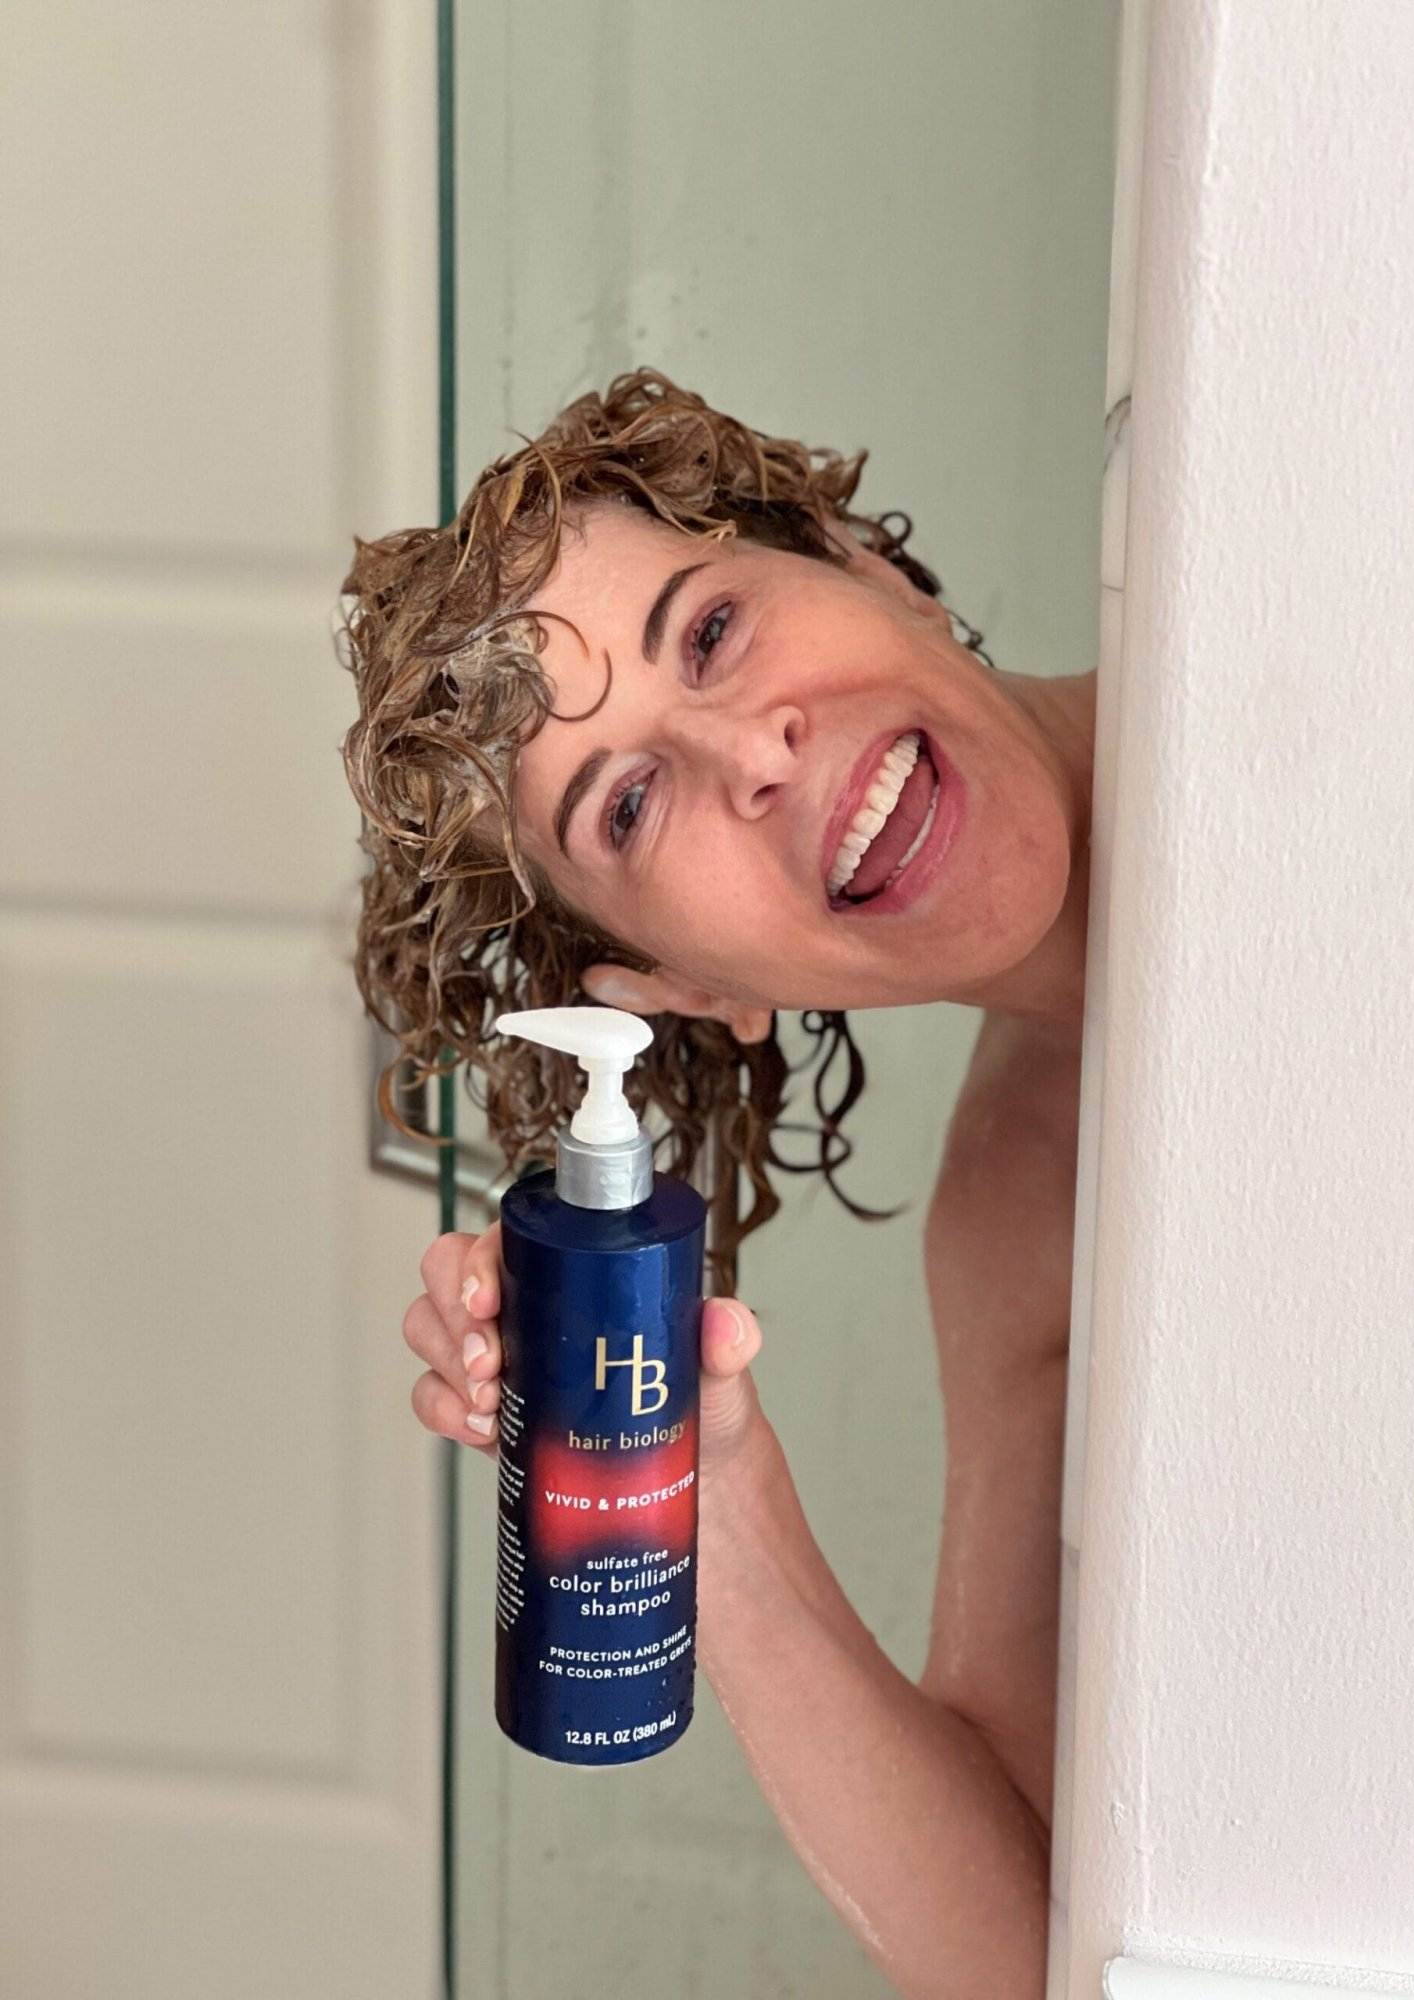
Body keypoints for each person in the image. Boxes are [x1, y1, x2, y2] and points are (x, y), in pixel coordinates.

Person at [337, 368, 1093, 1999]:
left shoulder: (1308, 599)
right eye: (628, 801)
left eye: (713, 632)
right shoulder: (1033, 1239)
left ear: (858, 561)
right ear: (682, 988)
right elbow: (1041, 1951)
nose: (749, 751)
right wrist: (709, 1490)